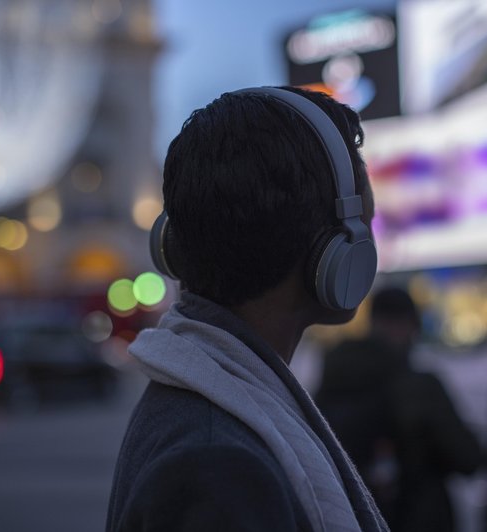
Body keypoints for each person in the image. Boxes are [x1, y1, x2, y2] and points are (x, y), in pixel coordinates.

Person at [106, 86, 388, 532]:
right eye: (366, 226)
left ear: (172, 245)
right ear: (335, 254)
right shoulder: (220, 470)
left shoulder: (194, 409)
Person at [315, 287, 482, 532]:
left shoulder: (335, 379)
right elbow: (468, 459)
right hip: (420, 519)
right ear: (411, 325)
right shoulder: (419, 387)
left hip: (354, 519)